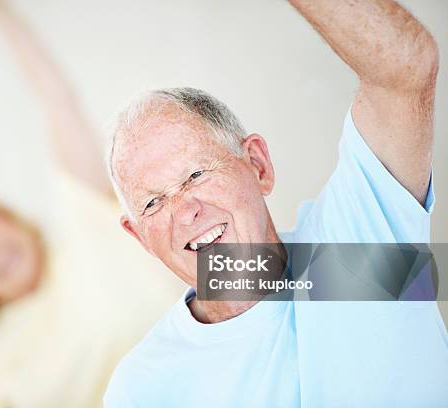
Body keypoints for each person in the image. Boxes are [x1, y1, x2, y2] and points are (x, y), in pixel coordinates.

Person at [104, 0, 447, 406]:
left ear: (258, 165)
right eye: (153, 203)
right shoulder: (143, 387)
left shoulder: (356, 241)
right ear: (140, 237)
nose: (185, 212)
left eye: (196, 175)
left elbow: (404, 70)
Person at [0, 1, 182, 407]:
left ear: (10, 220)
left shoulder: (87, 217)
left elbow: (59, 102)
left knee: (305, 264)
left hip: (249, 362)